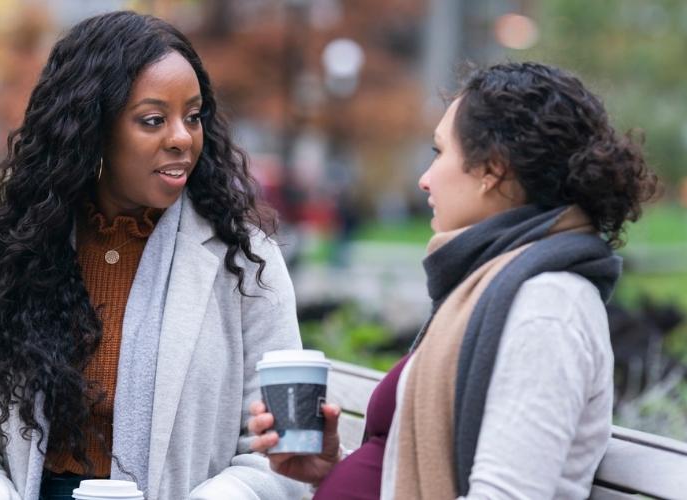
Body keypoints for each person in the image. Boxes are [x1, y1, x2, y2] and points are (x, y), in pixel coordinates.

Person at [0, 11, 307, 500]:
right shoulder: (3, 254)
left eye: (192, 116)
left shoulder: (245, 260)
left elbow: (279, 451)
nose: (181, 137)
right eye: (153, 120)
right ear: (93, 131)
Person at [249, 61, 658, 499]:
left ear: (493, 170)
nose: (425, 180)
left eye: (439, 152)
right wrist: (331, 469)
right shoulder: (495, 287)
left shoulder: (549, 308)